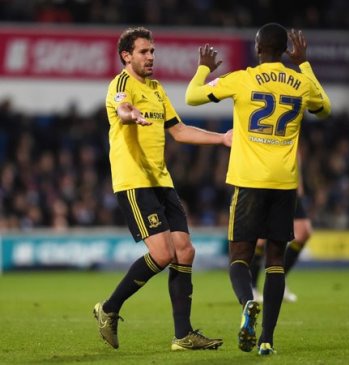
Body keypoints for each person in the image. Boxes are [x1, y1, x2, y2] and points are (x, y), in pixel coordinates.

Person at [185, 23, 331, 355]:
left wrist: (204, 68)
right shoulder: (301, 82)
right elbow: (325, 108)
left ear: (257, 47)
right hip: (284, 182)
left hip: (249, 180)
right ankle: (267, 339)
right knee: (276, 260)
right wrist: (304, 64)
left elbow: (192, 97)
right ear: (285, 51)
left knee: (239, 256)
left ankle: (248, 302)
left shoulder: (243, 78)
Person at [93, 26, 231, 351]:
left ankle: (183, 336)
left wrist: (222, 139)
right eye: (144, 51)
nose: (151, 56)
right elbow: (122, 109)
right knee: (163, 253)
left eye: (153, 51)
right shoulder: (121, 84)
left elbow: (179, 131)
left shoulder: (156, 88)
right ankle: (109, 308)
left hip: (161, 180)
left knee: (185, 251)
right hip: (134, 181)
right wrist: (131, 115)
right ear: (127, 55)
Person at [250, 158, 312, 303]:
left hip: (288, 181)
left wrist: (299, 179)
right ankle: (251, 287)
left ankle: (278, 283)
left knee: (303, 232)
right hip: (264, 178)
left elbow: (296, 150)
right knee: (260, 238)